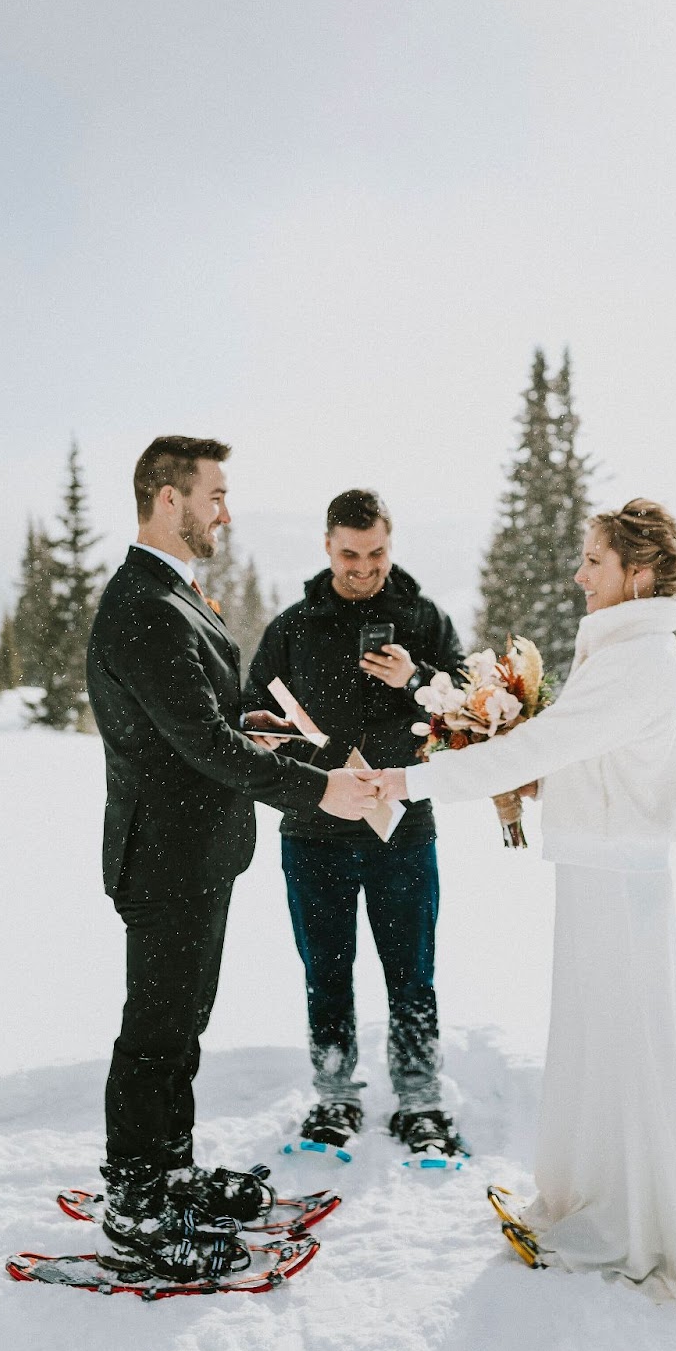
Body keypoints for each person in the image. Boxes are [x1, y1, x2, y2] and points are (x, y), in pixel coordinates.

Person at [374, 500, 676, 1316]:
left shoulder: (639, 656)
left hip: (619, 879)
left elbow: (545, 742)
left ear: (637, 574)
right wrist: (534, 778)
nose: (579, 574)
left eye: (593, 561)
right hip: (597, 869)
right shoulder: (620, 648)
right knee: (607, 1039)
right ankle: (603, 1196)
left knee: (631, 1043)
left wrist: (409, 782)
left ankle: (635, 1224)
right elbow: (579, 754)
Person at [86, 437, 377, 1282]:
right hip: (166, 855)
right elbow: (201, 744)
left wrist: (253, 728)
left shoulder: (170, 595)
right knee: (157, 1031)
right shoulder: (142, 602)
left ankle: (169, 1173)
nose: (226, 510)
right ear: (168, 499)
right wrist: (317, 786)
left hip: (197, 850)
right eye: (215, 494)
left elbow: (199, 726)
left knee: (183, 1026)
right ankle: (135, 1205)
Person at [242, 488, 468, 1158]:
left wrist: (417, 675)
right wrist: (262, 730)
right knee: (326, 969)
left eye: (375, 553)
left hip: (403, 827)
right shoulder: (290, 627)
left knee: (411, 969)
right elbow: (252, 710)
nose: (364, 567)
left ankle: (420, 1099)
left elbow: (470, 714)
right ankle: (335, 1095)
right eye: (350, 554)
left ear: (390, 544)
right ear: (326, 546)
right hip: (315, 830)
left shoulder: (424, 617)